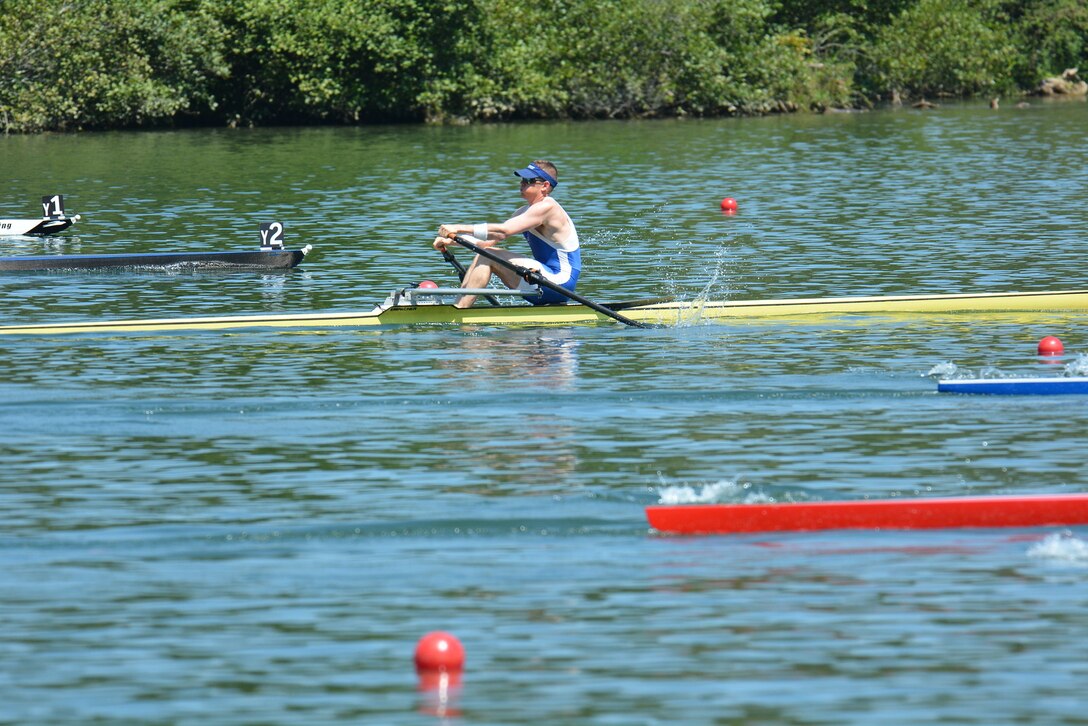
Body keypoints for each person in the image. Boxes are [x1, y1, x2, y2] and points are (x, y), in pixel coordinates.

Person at [433, 160, 580, 308]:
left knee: (487, 255)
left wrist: (458, 228)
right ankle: (458, 307)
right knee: (484, 253)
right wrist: (451, 241)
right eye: (522, 179)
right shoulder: (523, 212)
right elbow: (488, 242)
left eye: (528, 180)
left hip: (560, 283)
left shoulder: (548, 207)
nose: (522, 183)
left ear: (545, 186)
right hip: (542, 281)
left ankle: (460, 311)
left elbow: (504, 230)